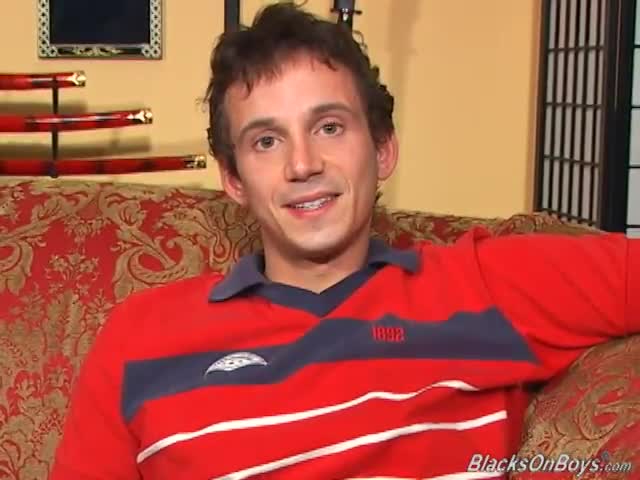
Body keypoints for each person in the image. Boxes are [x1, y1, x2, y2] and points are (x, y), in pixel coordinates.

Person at [50, 2, 639, 479]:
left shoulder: (485, 287)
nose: (303, 164)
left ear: (382, 150)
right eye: (266, 141)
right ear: (234, 180)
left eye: (329, 127)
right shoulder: (138, 338)